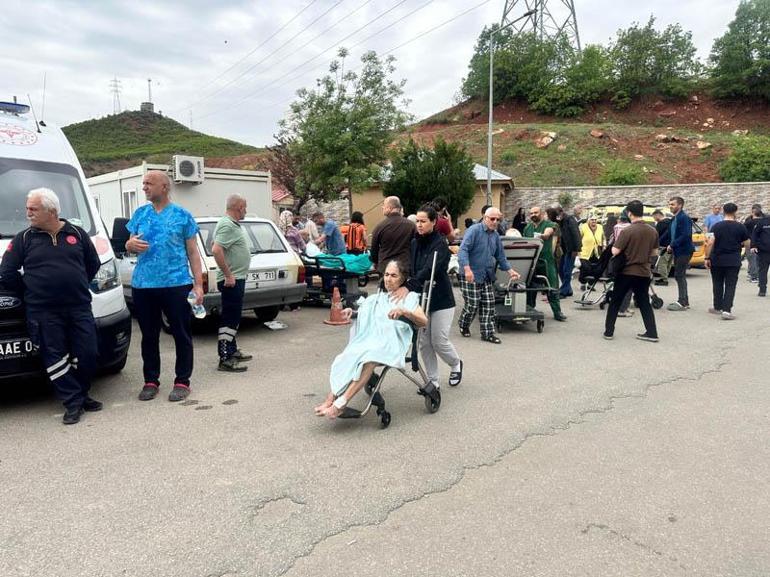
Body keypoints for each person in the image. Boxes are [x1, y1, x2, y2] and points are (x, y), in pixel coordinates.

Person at [0, 188, 102, 424]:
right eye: (28, 208)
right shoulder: (24, 239)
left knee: (88, 353)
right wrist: (29, 291)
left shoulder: (76, 233)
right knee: (55, 357)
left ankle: (81, 393)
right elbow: (7, 272)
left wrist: (77, 283)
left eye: (33, 209)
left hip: (79, 307)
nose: (28, 213)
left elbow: (93, 263)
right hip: (43, 311)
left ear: (52, 211)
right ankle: (73, 402)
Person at [125, 170, 204, 402]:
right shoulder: (139, 214)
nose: (144, 187)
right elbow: (130, 244)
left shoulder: (182, 216)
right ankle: (151, 380)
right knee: (148, 335)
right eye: (143, 183)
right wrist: (129, 244)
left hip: (176, 283)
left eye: (149, 183)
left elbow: (193, 252)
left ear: (164, 187)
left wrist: (198, 285)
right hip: (144, 285)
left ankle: (182, 381)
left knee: (181, 333)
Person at [313, 260, 427, 419]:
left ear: (402, 279)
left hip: (392, 343)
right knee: (349, 354)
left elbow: (423, 321)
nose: (388, 279)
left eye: (394, 275)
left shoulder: (409, 298)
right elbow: (365, 312)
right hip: (374, 339)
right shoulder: (378, 298)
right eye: (386, 274)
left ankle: (341, 403)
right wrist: (351, 312)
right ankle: (330, 399)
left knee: (369, 358)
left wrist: (405, 312)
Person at [406, 205, 463, 389]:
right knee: (424, 342)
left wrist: (411, 283)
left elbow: (429, 269)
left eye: (423, 221)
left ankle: (455, 363)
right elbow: (412, 267)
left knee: (438, 340)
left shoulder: (440, 244)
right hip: (421, 297)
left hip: (440, 298)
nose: (420, 225)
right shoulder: (414, 242)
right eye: (418, 221)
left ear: (433, 222)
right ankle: (433, 380)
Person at [458, 207, 521, 344]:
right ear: (485, 218)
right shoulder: (474, 231)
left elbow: (500, 256)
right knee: (472, 305)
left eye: (498, 219)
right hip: (471, 274)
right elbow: (463, 250)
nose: (495, 221)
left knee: (488, 304)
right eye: (492, 219)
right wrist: (467, 269)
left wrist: (510, 271)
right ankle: (463, 324)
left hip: (486, 274)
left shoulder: (496, 235)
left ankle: (487, 333)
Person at [603, 200, 660, 342]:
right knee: (644, 302)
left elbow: (615, 250)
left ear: (629, 213)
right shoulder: (653, 231)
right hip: (644, 272)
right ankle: (652, 333)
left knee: (616, 301)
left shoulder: (627, 231)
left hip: (626, 272)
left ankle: (609, 332)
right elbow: (654, 253)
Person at [212, 195, 254, 372]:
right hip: (231, 280)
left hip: (237, 278)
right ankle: (225, 358)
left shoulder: (231, 224)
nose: (245, 211)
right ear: (239, 207)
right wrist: (229, 275)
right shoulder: (227, 224)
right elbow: (216, 249)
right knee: (230, 318)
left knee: (234, 316)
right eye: (245, 208)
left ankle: (232, 350)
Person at [705, 203, 750, 320]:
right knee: (730, 285)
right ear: (735, 212)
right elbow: (747, 243)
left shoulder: (715, 226)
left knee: (717, 283)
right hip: (733, 260)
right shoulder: (740, 227)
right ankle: (726, 310)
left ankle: (717, 307)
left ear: (723, 211)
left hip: (717, 259)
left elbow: (710, 243)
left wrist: (707, 258)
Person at [524, 207, 567, 322]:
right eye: (531, 213)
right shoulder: (527, 228)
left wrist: (541, 236)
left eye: (536, 212)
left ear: (542, 214)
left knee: (552, 287)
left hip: (547, 261)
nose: (533, 214)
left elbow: (548, 234)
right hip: (532, 262)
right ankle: (529, 310)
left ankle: (557, 312)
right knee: (530, 287)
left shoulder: (550, 224)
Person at [370, 196, 415, 273]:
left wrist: (376, 262)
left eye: (384, 205)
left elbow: (374, 250)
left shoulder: (380, 226)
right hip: (405, 266)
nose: (382, 207)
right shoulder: (411, 225)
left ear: (390, 208)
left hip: (386, 267)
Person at [665, 196, 695, 311]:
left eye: (673, 204)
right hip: (678, 250)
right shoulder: (675, 218)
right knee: (679, 275)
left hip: (684, 250)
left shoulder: (684, 218)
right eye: (670, 204)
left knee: (679, 275)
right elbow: (670, 234)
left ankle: (682, 301)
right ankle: (684, 301)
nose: (670, 206)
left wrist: (672, 245)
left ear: (680, 205)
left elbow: (685, 235)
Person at [558, 205, 583, 298]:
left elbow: (576, 235)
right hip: (564, 250)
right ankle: (568, 289)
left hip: (571, 249)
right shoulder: (560, 221)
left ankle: (563, 291)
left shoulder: (569, 220)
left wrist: (576, 249)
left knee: (567, 271)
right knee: (561, 269)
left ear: (561, 212)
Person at [751, 210, 770, 297]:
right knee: (763, 271)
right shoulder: (762, 222)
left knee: (762, 271)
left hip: (764, 250)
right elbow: (754, 234)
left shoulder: (762, 221)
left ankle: (762, 290)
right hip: (764, 251)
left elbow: (754, 235)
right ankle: (762, 290)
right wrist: (753, 246)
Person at [744, 204, 764, 282]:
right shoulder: (764, 221)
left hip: (750, 242)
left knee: (752, 259)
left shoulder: (749, 222)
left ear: (753, 212)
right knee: (755, 259)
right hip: (761, 242)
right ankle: (753, 273)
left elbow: (743, 230)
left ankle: (754, 276)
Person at [652, 209, 672, 285]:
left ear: (657, 215)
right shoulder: (670, 222)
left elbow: (656, 235)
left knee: (662, 262)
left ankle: (664, 279)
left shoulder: (661, 224)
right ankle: (665, 277)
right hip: (671, 245)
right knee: (668, 262)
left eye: (654, 217)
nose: (654, 219)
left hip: (663, 246)